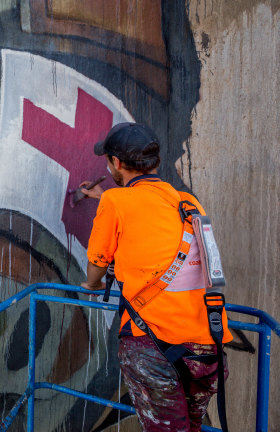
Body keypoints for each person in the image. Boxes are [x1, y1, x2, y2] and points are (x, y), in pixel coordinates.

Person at [79, 122, 232, 431]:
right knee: (191, 426)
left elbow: (97, 261)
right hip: (207, 350)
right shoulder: (188, 203)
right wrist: (104, 198)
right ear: (155, 162)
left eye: (108, 161)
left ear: (116, 163)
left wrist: (92, 284)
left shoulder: (116, 202)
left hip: (153, 349)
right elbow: (155, 222)